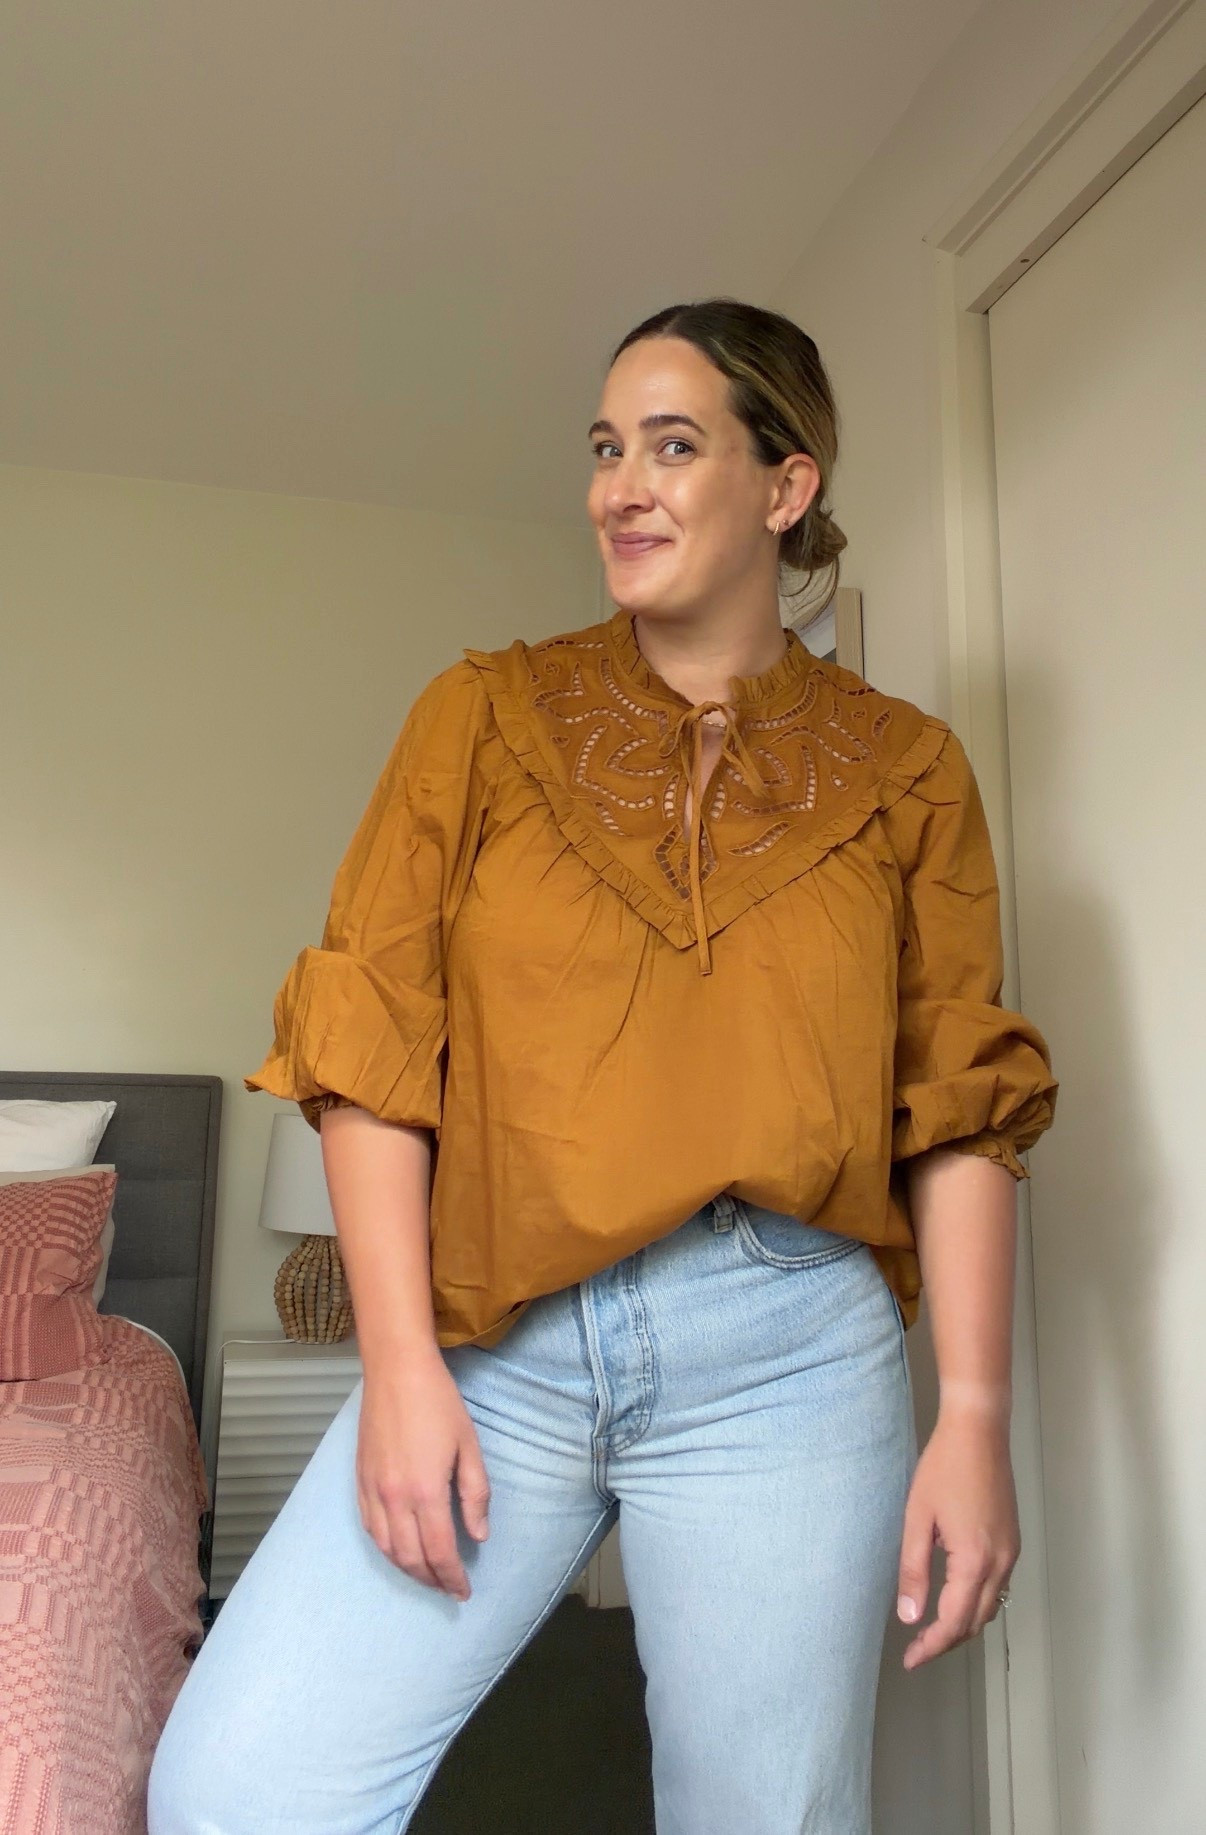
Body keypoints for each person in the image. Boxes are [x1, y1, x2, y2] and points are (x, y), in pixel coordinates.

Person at [148, 298, 1057, 1835]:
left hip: (788, 1353)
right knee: (238, 1791)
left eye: (672, 446)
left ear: (785, 485)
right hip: (499, 1340)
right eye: (603, 449)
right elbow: (372, 1047)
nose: (618, 488)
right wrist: (397, 1367)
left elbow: (958, 1103)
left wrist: (970, 1416)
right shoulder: (478, 715)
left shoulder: (908, 769)